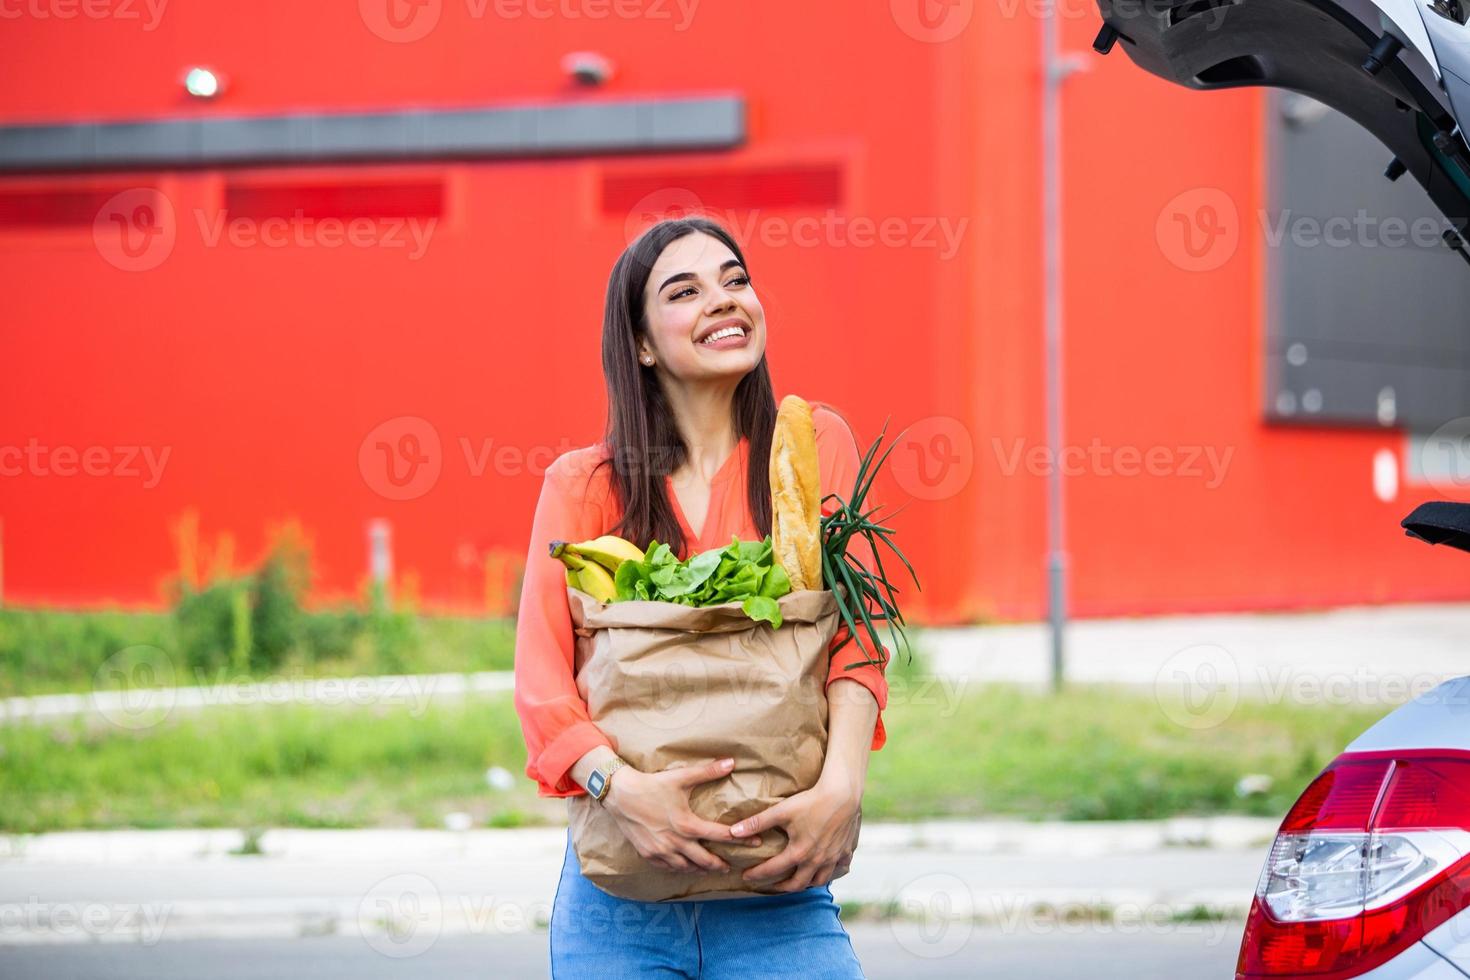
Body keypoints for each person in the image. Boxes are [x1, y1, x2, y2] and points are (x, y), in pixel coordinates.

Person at [513, 216, 890, 978]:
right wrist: (622, 791)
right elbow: (542, 681)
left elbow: (854, 643)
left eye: (736, 280)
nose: (724, 300)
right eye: (685, 291)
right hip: (620, 897)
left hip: (777, 886)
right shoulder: (584, 487)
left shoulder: (813, 448)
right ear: (644, 344)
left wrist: (843, 787)